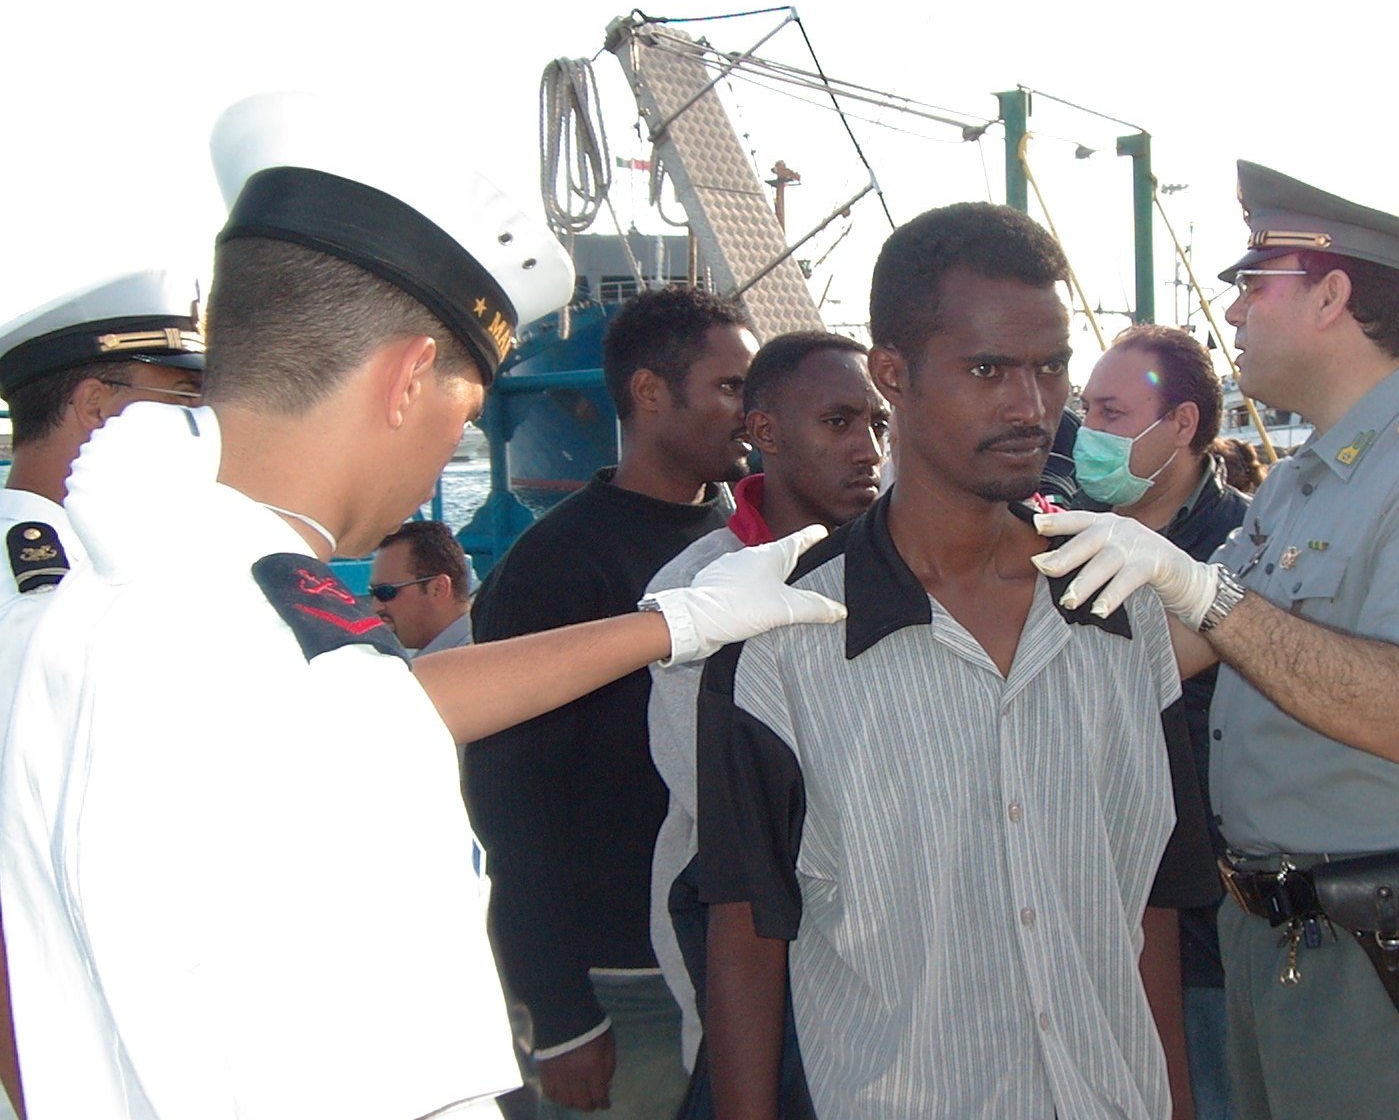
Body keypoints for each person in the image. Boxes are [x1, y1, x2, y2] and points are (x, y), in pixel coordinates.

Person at [0, 91, 843, 1120]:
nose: (454, 447)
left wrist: (677, 622)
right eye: (466, 411)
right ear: (408, 379)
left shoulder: (131, 600)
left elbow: (376, 701)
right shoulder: (237, 643)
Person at [1036, 161, 1399, 1120]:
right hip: (1272, 923)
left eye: (1253, 286)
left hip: (1381, 936)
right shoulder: (1308, 477)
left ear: (1332, 297)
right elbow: (1177, 650)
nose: (1232, 313)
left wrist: (1202, 589)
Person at [698, 202, 1216, 1120]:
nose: (1032, 406)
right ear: (893, 374)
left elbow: (1151, 903)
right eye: (988, 369)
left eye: (1050, 366)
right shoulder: (782, 637)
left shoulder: (1120, 608)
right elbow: (746, 930)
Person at [465, 284, 758, 1119]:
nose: (751, 411)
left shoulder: (752, 540)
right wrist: (561, 1015)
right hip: (627, 987)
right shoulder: (553, 566)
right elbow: (510, 803)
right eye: (730, 386)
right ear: (650, 392)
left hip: (741, 961)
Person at [645, 331, 886, 1074]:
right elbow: (726, 799)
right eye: (839, 422)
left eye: (879, 423)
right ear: (766, 433)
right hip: (759, 948)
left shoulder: (918, 564)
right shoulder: (692, 592)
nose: (870, 449)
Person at [0, 269, 207, 1120]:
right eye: (183, 400)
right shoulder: (34, 589)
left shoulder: (108, 569)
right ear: (95, 407)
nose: (207, 426)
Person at [1077, 323, 1247, 1120]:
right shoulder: (1063, 533)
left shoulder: (1248, 547)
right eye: (1085, 409)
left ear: (1181, 424)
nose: (1088, 432)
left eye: (1111, 413)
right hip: (1096, 908)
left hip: (1213, 912)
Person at [370, 519, 474, 654]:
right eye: (372, 593)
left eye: (385, 592)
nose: (376, 607)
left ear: (438, 589)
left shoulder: (475, 658)